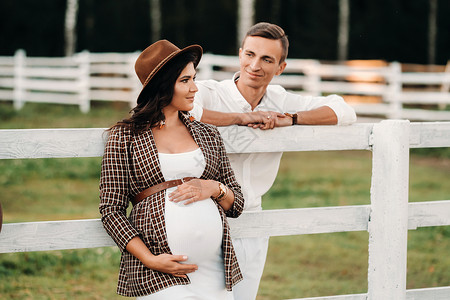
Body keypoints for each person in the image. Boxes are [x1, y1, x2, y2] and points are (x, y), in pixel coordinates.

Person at [189, 22, 357, 300]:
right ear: (240, 54)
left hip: (253, 218)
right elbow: (185, 108)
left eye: (267, 59)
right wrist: (240, 118)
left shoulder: (280, 100)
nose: (255, 65)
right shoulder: (210, 92)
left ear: (280, 67)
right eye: (250, 55)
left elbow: (344, 110)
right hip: (204, 216)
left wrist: (291, 118)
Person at [99, 40, 244, 299]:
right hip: (159, 270)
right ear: (164, 86)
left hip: (213, 270)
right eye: (185, 80)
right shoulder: (126, 136)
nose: (194, 88)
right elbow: (111, 211)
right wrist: (150, 259)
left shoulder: (207, 133)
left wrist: (213, 188)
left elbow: (237, 204)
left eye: (194, 79)